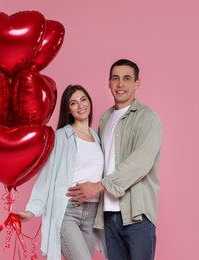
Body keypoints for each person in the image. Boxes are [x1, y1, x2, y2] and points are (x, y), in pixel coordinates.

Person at [67, 59, 163, 260]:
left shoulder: (147, 118)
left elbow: (140, 163)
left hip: (137, 216)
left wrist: (99, 186)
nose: (120, 84)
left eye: (127, 78)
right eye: (115, 78)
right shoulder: (104, 120)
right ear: (109, 83)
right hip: (108, 217)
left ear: (137, 83)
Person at [15, 85, 106, 260]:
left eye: (83, 99)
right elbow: (47, 176)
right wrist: (32, 210)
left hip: (92, 214)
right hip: (68, 212)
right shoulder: (61, 137)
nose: (80, 106)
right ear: (69, 110)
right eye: (73, 103)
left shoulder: (97, 138)